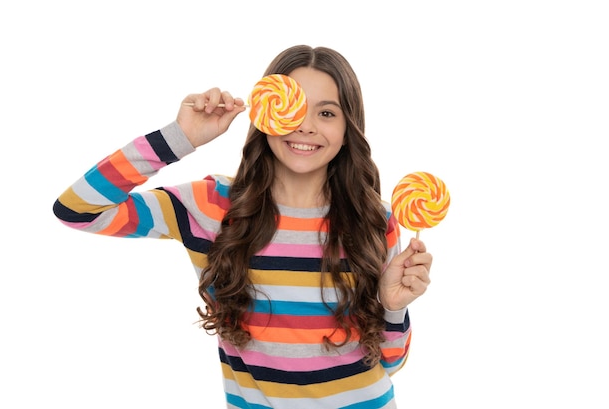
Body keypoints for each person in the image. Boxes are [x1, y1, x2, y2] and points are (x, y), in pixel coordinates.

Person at [53, 44, 433, 408]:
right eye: (294, 107)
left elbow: (391, 363)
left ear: (348, 128)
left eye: (327, 113)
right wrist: (179, 138)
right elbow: (77, 209)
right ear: (268, 110)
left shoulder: (374, 219)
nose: (305, 126)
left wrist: (392, 307)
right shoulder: (212, 206)